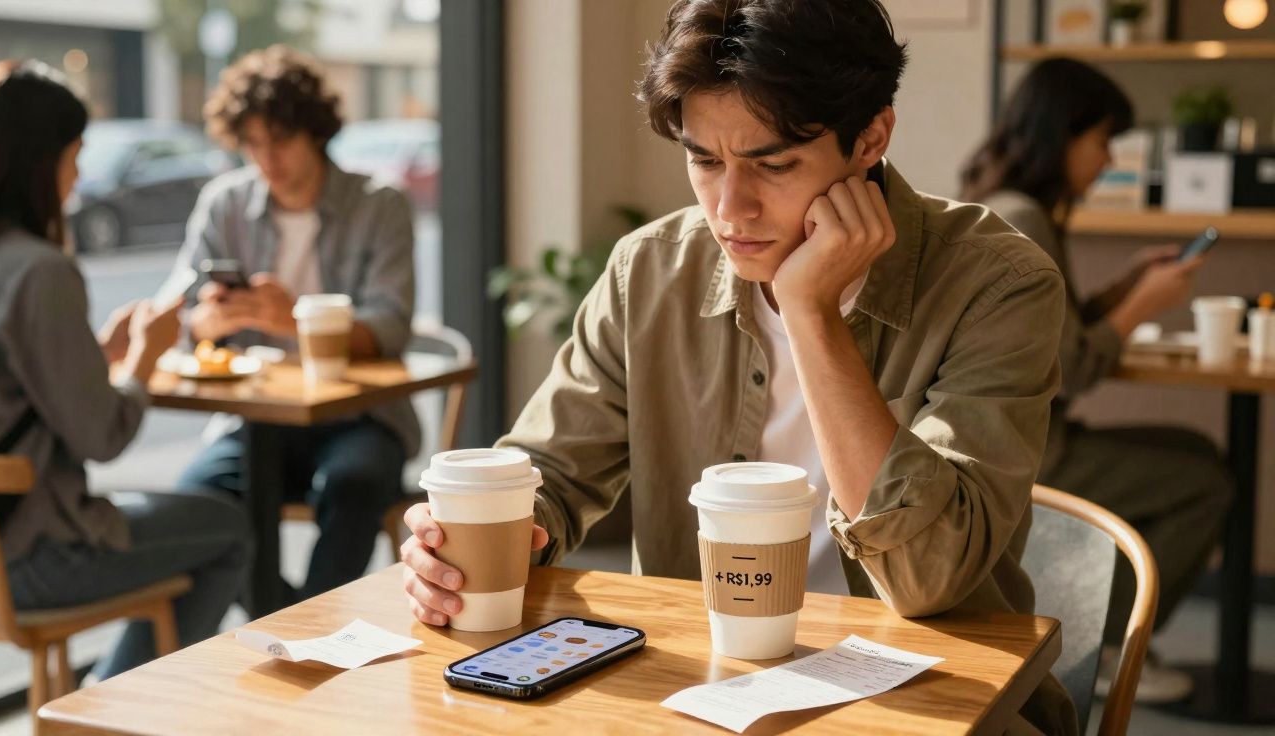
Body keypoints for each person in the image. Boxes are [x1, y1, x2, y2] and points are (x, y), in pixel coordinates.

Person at [402, 1, 1077, 731]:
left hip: (934, 696)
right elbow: (550, 479)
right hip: (699, 695)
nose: (730, 209)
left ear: (870, 138)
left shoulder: (997, 283)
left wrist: (812, 315)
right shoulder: (650, 272)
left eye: (773, 164)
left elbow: (930, 573)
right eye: (704, 160)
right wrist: (460, 550)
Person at [0, 60, 250, 680]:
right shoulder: (39, 270)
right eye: (75, 155)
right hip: (25, 555)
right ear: (42, 161)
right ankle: (108, 703)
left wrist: (96, 355)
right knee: (230, 528)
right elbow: (102, 436)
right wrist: (145, 357)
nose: (78, 175)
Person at [961, 57, 1232, 704]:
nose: (1109, 158)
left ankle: (1106, 634)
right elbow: (1070, 371)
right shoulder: (1023, 217)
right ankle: (1107, 646)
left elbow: (1056, 334)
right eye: (1103, 139)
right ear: (1063, 132)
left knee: (1197, 453)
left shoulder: (1012, 206)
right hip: (1030, 454)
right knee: (1207, 481)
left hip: (1022, 440)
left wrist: (1125, 284)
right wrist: (1143, 305)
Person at [170, 45, 418, 603]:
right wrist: (209, 319)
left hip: (361, 417)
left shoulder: (379, 204)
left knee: (354, 485)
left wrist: (295, 319)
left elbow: (390, 326)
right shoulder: (224, 204)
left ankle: (307, 633)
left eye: (280, 140)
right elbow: (182, 316)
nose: (266, 158)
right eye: (251, 143)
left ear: (315, 132)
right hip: (255, 416)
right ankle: (293, 623)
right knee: (197, 507)